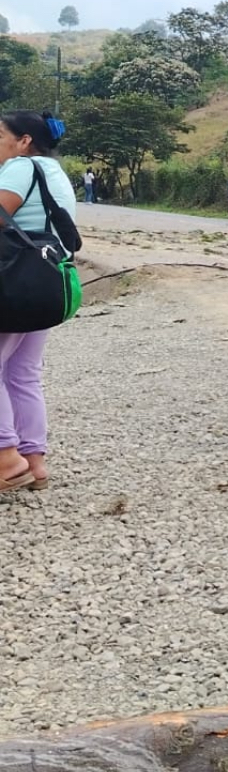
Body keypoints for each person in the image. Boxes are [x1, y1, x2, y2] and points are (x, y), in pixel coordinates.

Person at [0, 111, 78, 492]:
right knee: (22, 373)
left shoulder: (20, 166)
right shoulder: (53, 170)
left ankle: (6, 458)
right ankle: (34, 460)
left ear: (24, 140)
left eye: (1, 135)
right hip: (43, 280)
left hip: (12, 281)